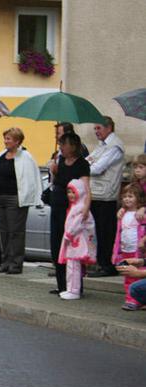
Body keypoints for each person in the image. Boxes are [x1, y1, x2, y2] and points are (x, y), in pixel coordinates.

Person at [0, 128, 42, 275]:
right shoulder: (2, 156)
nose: (6, 141)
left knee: (15, 232)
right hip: (0, 198)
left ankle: (16, 264)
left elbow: (29, 179)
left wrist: (29, 197)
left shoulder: (25, 157)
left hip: (15, 199)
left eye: (9, 139)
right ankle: (5, 262)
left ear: (17, 141)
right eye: (5, 138)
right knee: (3, 232)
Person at [49, 133, 91, 295]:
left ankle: (74, 285)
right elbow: (55, 182)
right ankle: (61, 285)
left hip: (72, 209)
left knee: (71, 247)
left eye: (63, 144)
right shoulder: (60, 161)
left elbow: (86, 188)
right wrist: (53, 171)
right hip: (57, 205)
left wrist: (85, 209)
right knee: (56, 245)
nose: (60, 147)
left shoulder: (82, 164)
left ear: (72, 146)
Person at [87, 116, 125, 277]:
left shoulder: (114, 146)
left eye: (99, 128)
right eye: (95, 128)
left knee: (105, 232)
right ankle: (99, 262)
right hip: (96, 193)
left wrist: (89, 165)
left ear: (109, 127)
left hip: (106, 195)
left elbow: (97, 168)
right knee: (97, 231)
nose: (96, 131)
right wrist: (89, 164)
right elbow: (88, 161)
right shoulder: (101, 146)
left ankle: (106, 265)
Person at [58, 179, 96, 301]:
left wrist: (68, 235)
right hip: (74, 243)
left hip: (76, 243)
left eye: (73, 192)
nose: (71, 195)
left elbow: (77, 224)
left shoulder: (80, 208)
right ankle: (71, 289)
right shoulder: (76, 207)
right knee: (71, 266)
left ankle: (74, 291)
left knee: (73, 267)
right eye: (69, 192)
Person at [112, 184, 146, 310]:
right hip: (125, 250)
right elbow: (119, 233)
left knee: (137, 275)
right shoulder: (123, 213)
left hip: (138, 252)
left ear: (139, 198)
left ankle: (136, 300)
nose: (127, 199)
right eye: (125, 197)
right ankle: (130, 298)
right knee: (127, 276)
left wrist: (143, 241)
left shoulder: (141, 214)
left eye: (130, 196)